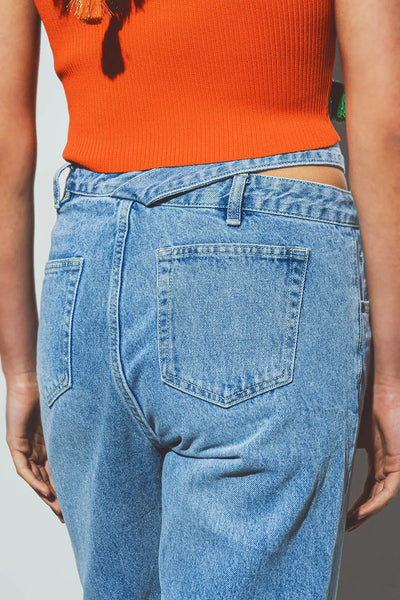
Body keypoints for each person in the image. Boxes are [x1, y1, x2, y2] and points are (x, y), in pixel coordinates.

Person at [1, 1, 399, 598]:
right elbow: (384, 121)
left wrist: (22, 371)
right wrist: (390, 378)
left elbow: (4, 145)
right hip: (261, 260)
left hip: (86, 272)